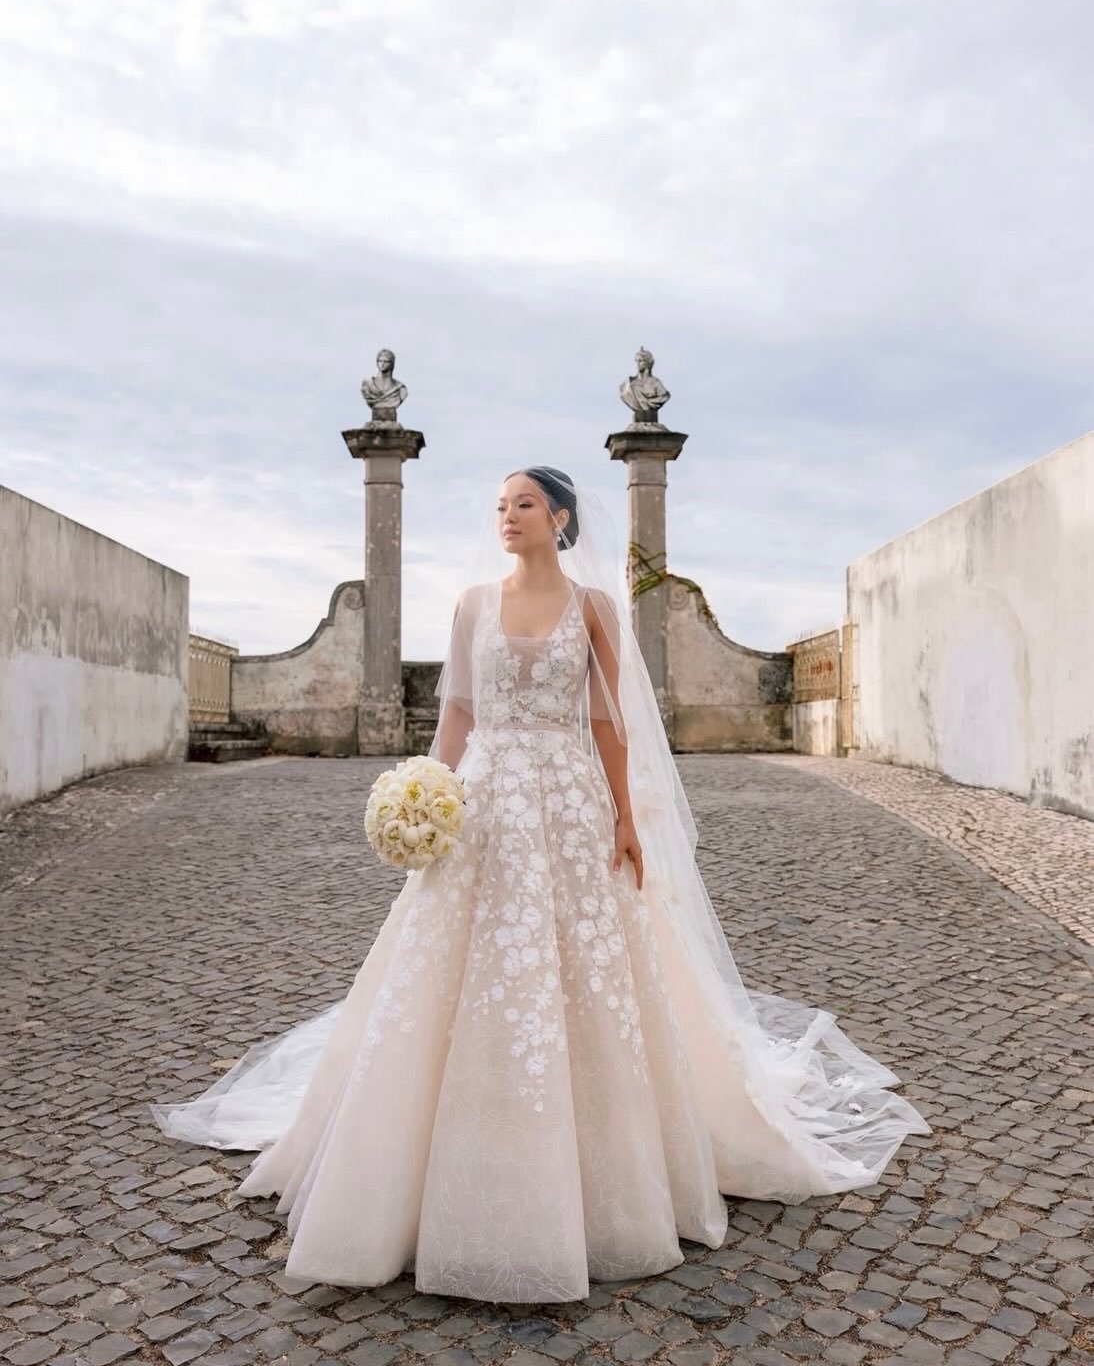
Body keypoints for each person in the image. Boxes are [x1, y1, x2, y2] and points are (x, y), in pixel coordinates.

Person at [150, 465, 931, 1304]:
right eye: (499, 505)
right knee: (453, 965)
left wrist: (626, 818)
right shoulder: (472, 604)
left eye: (523, 504)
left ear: (559, 517)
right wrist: (423, 791)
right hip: (484, 804)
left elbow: (608, 721)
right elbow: (457, 711)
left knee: (586, 968)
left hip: (568, 799)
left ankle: (599, 1165)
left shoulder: (595, 608)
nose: (507, 516)